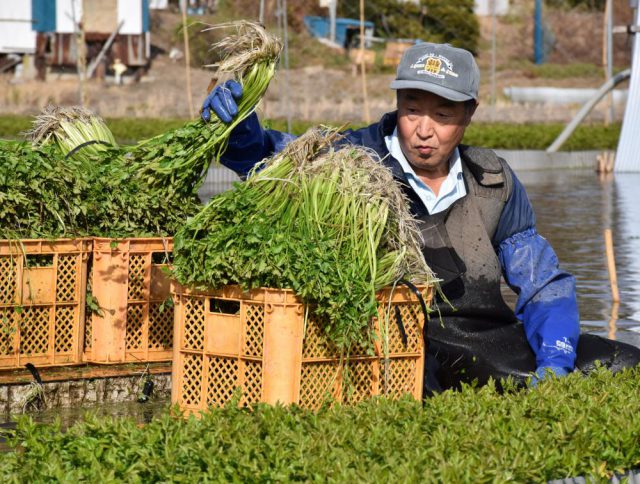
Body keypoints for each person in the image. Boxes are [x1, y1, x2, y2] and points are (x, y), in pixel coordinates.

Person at [201, 42, 640, 394]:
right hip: (404, 346)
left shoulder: (492, 179)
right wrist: (239, 128)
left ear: (469, 114)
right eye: (412, 109)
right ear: (397, 102)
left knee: (622, 361)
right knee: (477, 376)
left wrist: (556, 361)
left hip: (488, 335)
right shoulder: (349, 160)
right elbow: (268, 156)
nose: (423, 130)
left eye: (443, 114)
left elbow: (542, 282)